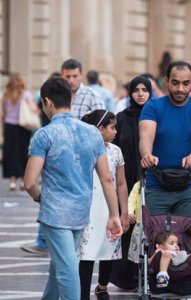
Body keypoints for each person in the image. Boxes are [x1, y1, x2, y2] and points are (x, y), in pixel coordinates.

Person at [23, 76, 122, 300]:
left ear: (47, 101)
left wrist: (40, 197)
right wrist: (114, 214)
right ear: (70, 98)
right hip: (80, 211)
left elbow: (29, 182)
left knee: (66, 270)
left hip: (55, 213)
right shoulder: (92, 133)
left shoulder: (44, 134)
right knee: (60, 267)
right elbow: (107, 179)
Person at [139, 61, 191, 217]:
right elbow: (146, 135)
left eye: (186, 83)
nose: (180, 89)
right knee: (157, 238)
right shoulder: (152, 106)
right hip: (157, 184)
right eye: (175, 83)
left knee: (189, 237)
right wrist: (147, 154)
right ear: (167, 81)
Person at [77, 110, 130, 300]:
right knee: (87, 252)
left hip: (110, 208)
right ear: (100, 129)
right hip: (88, 207)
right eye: (112, 127)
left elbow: (121, 183)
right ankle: (82, 295)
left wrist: (123, 212)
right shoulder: (82, 149)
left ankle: (102, 286)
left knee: (110, 250)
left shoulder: (115, 151)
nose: (116, 131)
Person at [109, 75, 152, 290]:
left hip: (151, 178)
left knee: (148, 227)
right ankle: (124, 276)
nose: (141, 93)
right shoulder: (121, 118)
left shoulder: (155, 116)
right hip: (125, 180)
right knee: (126, 225)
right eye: (137, 89)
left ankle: (147, 274)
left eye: (145, 89)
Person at [1, 74, 39, 191]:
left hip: (9, 127)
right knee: (23, 153)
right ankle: (23, 180)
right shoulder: (26, 95)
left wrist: (2, 129)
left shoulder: (5, 95)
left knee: (10, 154)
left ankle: (12, 181)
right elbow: (34, 110)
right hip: (23, 128)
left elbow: (2, 115)